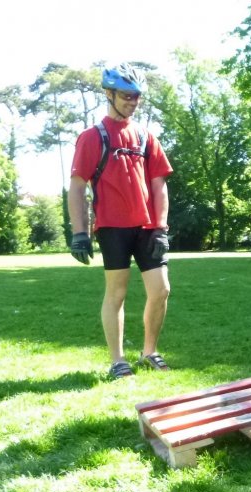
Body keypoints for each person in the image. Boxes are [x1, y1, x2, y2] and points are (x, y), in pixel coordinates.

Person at [68, 63, 174, 379]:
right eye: (127, 95)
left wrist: (162, 226)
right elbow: (77, 187)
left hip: (148, 228)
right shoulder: (91, 137)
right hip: (112, 226)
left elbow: (159, 184)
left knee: (161, 289)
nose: (132, 101)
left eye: (137, 96)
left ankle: (149, 351)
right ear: (109, 93)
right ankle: (117, 360)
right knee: (117, 293)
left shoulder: (145, 136)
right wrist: (79, 232)